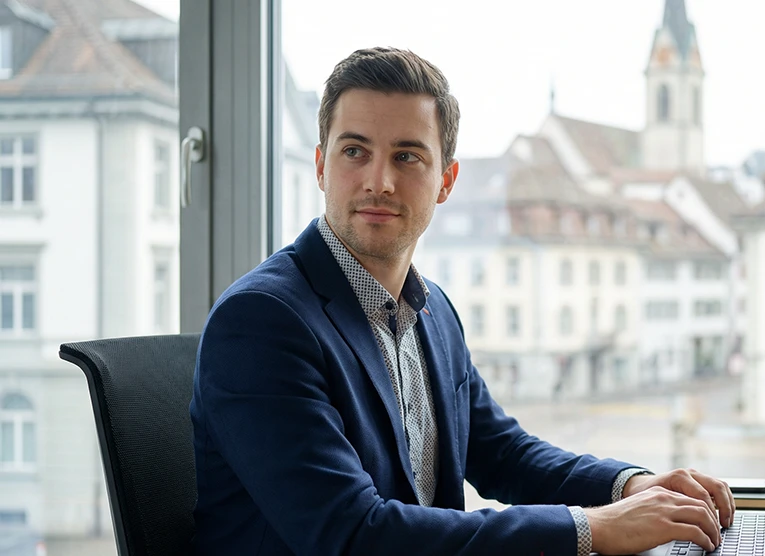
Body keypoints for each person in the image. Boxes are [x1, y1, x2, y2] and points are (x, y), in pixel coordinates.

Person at [189, 46, 735, 556]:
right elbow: (351, 533)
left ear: (446, 180)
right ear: (320, 165)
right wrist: (593, 529)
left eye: (407, 157)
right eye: (355, 151)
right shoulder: (262, 321)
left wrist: (629, 485)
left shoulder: (433, 310)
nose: (378, 181)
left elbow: (501, 452)